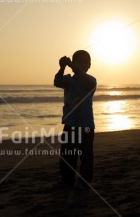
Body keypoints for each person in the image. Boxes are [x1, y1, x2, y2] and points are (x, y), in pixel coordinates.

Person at [53, 50, 97, 190]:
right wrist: (61, 67)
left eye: (85, 62)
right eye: (79, 61)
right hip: (70, 123)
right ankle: (67, 180)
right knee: (67, 155)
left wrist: (72, 65)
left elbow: (83, 77)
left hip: (86, 124)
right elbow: (57, 82)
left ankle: (84, 182)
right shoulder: (68, 80)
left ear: (89, 65)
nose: (82, 64)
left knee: (86, 156)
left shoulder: (90, 80)